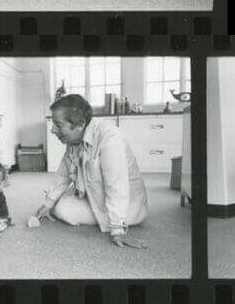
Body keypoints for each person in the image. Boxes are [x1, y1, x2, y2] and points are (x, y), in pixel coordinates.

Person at [34, 94, 149, 248]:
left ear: (80, 124)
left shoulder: (110, 137)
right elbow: (63, 175)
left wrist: (117, 227)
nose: (53, 130)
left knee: (62, 207)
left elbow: (117, 185)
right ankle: (98, 213)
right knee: (59, 206)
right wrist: (47, 204)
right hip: (97, 196)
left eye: (58, 125)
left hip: (126, 206)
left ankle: (114, 219)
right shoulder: (74, 140)